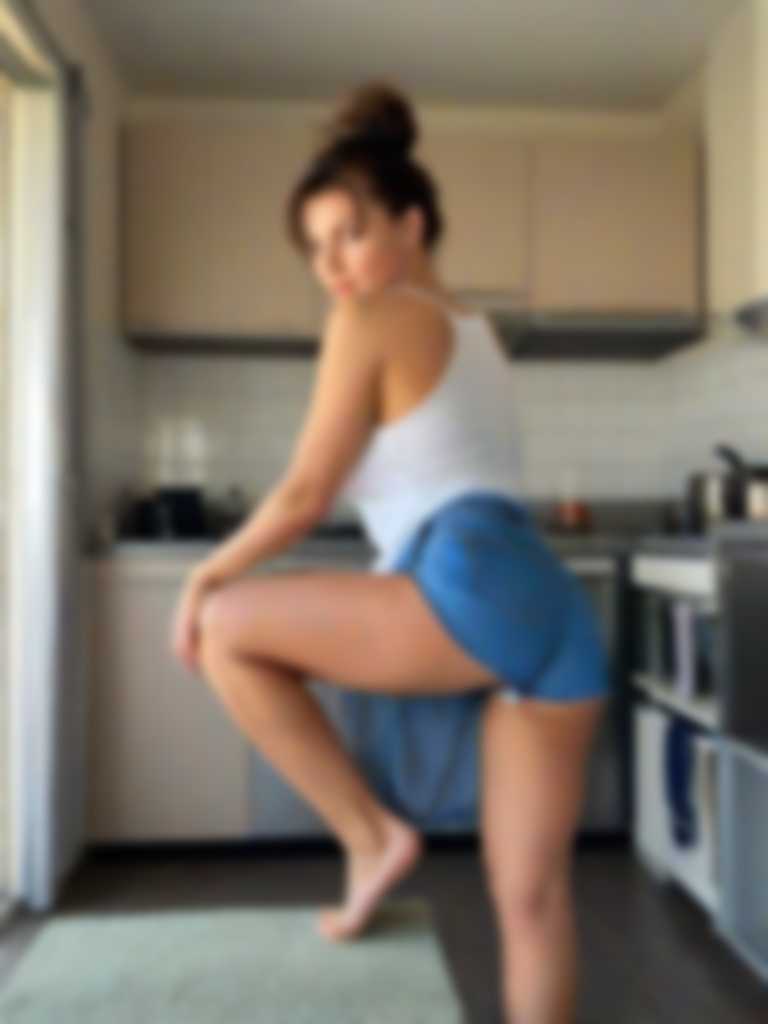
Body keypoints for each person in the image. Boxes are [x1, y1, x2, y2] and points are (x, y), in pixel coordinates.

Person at [170, 78, 610, 1024]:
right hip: (549, 609)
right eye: (315, 246)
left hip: (469, 580)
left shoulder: (374, 317)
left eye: (351, 235)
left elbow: (305, 495)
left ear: (411, 226)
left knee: (224, 626)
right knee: (534, 902)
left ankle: (370, 838)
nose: (331, 265)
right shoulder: (479, 331)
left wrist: (205, 572)